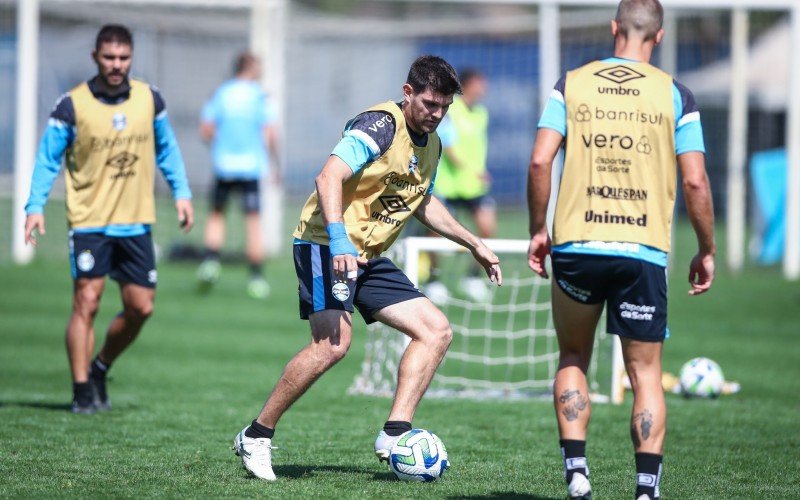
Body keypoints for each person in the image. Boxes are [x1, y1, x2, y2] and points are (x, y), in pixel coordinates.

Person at [232, 55, 502, 481]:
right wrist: (339, 240)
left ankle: (395, 434)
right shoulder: (379, 126)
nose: (436, 114)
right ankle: (256, 434)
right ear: (408, 92)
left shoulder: (432, 144)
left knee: (436, 331)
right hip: (325, 243)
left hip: (368, 256)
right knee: (333, 346)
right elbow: (328, 177)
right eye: (430, 104)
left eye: (444, 107)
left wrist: (473, 243)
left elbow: (423, 203)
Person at [526, 1, 715, 499]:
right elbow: (695, 181)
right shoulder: (676, 94)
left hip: (577, 243)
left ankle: (577, 474)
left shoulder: (571, 83)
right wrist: (706, 248)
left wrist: (537, 229)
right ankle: (646, 489)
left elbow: (540, 162)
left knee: (573, 353)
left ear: (614, 29)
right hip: (643, 248)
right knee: (645, 371)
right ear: (660, 36)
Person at [23, 24, 194, 414]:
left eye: (123, 58)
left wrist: (181, 193)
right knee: (87, 300)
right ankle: (82, 389)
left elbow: (167, 149)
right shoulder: (71, 105)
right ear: (95, 57)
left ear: (131, 58)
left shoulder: (150, 99)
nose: (116, 65)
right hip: (89, 221)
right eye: (109, 58)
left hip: (136, 221)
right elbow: (48, 159)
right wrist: (34, 206)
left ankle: (100, 367)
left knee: (141, 308)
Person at [196, 53, 280, 299]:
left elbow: (206, 129)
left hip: (224, 166)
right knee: (253, 221)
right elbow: (270, 134)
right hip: (251, 167)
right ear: (251, 68)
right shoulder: (260, 97)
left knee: (216, 214)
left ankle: (211, 262)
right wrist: (275, 164)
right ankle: (256, 278)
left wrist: (222, 146)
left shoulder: (221, 93)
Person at [427, 68, 496, 302]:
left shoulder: (481, 113)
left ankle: (473, 277)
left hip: (474, 186)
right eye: (480, 83)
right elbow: (448, 145)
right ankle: (433, 280)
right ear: (467, 85)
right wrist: (471, 170)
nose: (484, 88)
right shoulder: (450, 110)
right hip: (448, 183)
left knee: (487, 227)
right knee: (435, 232)